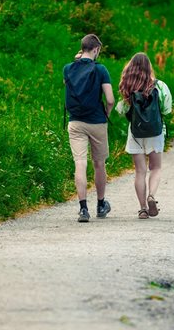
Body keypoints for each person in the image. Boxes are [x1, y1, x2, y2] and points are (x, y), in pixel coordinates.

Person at [64, 34, 115, 222]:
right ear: (96, 50)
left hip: (75, 122)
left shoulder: (68, 69)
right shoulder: (101, 70)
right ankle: (101, 204)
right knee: (99, 164)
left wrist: (77, 61)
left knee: (80, 163)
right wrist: (106, 114)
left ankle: (83, 209)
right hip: (97, 122)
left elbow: (69, 84)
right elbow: (110, 99)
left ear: (82, 48)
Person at [116, 52, 172, 219]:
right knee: (155, 168)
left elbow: (122, 111)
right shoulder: (160, 86)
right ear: (149, 68)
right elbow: (167, 109)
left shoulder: (128, 87)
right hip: (155, 132)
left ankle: (142, 209)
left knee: (140, 171)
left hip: (136, 133)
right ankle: (151, 196)